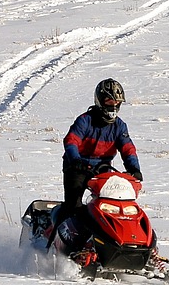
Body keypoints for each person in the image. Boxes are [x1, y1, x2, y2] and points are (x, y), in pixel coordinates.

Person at [60, 78, 143, 212]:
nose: (114, 106)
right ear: (100, 101)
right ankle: (58, 228)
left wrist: (134, 168)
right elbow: (71, 141)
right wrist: (75, 160)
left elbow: (128, 149)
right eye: (110, 102)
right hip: (77, 167)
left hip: (102, 169)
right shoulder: (85, 121)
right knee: (73, 206)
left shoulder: (119, 126)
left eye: (117, 102)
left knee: (110, 206)